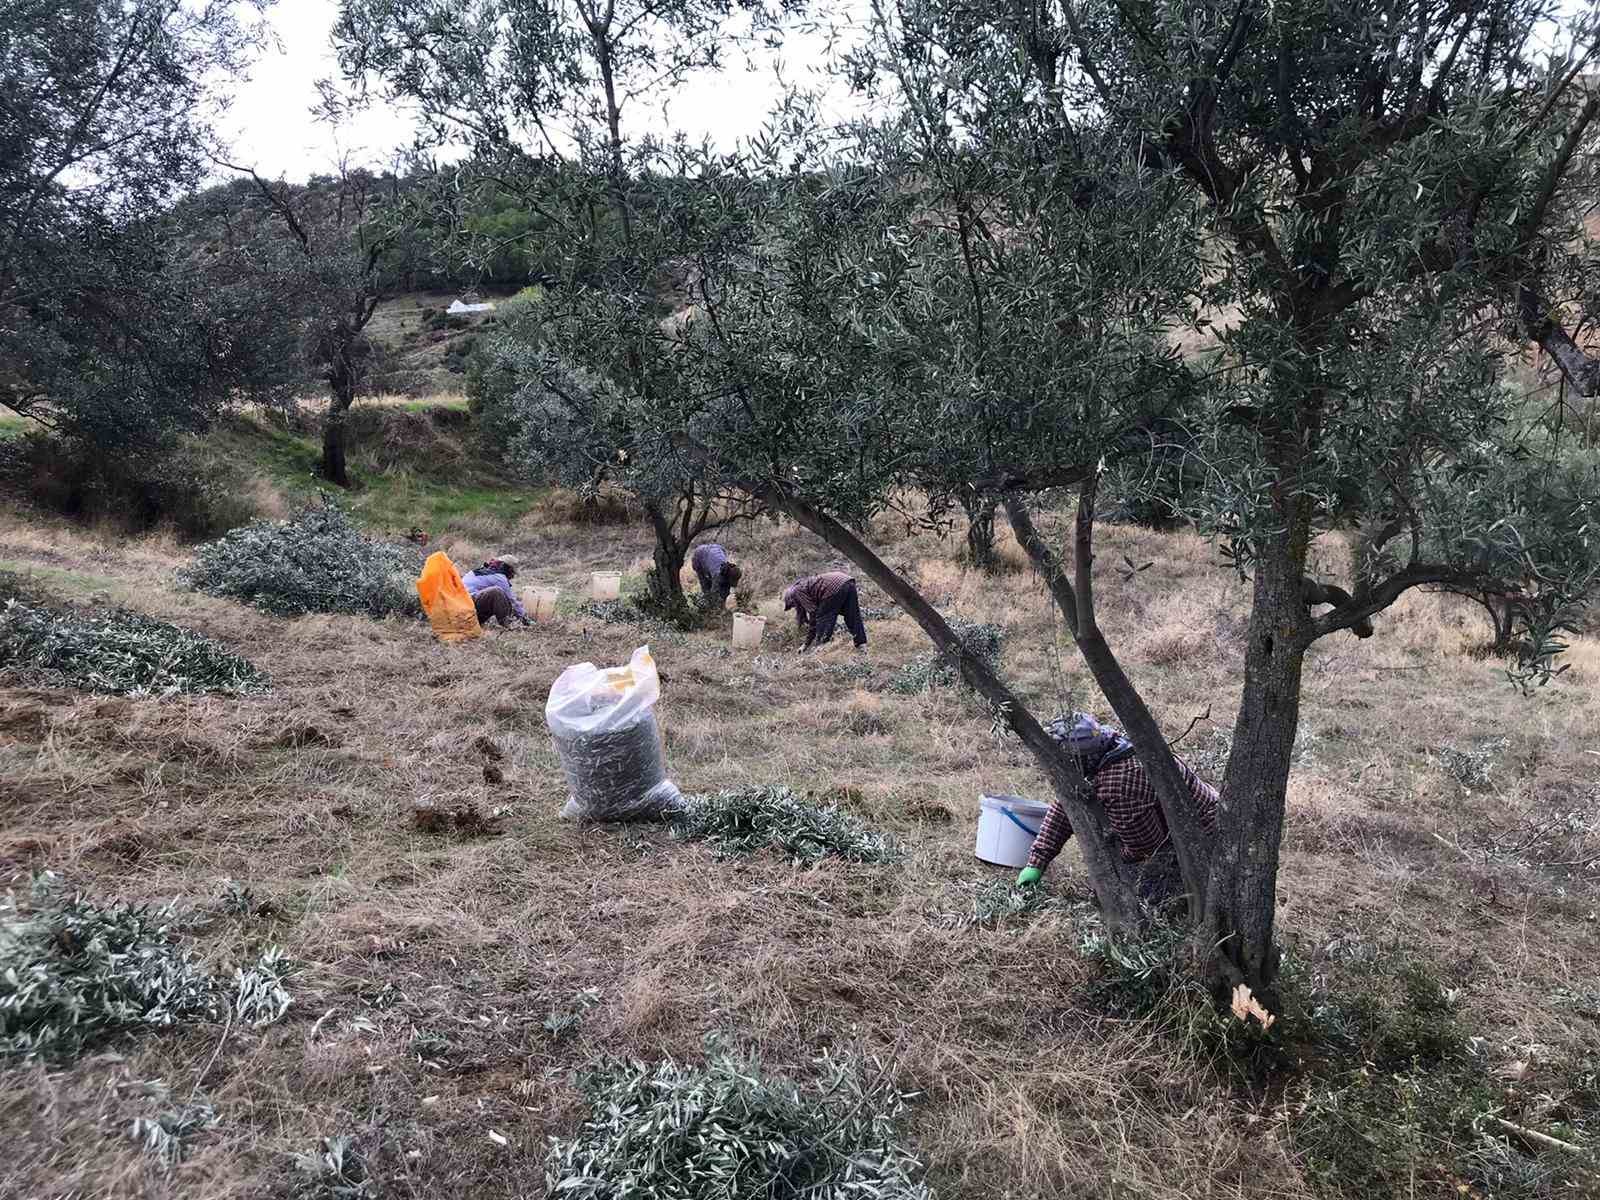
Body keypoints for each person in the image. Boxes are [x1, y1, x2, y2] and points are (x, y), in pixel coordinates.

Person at [1017, 712, 1218, 910]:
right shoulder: (1106, 745)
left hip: (1201, 839)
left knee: (1144, 898)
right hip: (1175, 827)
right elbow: (1067, 804)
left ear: (1079, 759)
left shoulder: (1120, 783)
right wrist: (1037, 861)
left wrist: (1105, 854)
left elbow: (1146, 848)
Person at [783, 571, 867, 652]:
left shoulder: (796, 592)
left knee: (823, 618)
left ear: (791, 599)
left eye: (792, 605)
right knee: (852, 616)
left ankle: (820, 649)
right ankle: (862, 645)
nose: (794, 607)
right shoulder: (804, 585)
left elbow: (814, 615)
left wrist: (806, 644)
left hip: (833, 586)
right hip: (847, 581)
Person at [462, 554, 531, 628]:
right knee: (497, 592)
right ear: (508, 569)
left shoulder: (481, 571)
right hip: (467, 607)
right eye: (512, 573)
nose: (512, 576)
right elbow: (512, 601)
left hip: (461, 607)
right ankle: (509, 624)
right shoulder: (499, 578)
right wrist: (526, 619)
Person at [690, 542, 742, 606]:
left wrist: (723, 603)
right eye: (733, 580)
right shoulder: (717, 574)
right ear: (729, 576)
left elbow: (726, 591)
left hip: (717, 549)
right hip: (699, 556)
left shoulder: (728, 570)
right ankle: (707, 608)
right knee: (706, 587)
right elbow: (713, 593)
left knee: (722, 589)